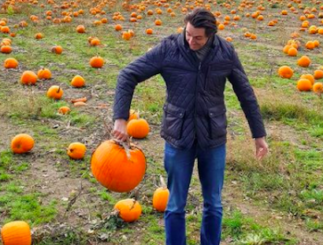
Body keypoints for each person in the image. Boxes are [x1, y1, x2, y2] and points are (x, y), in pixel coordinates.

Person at [111, 8, 269, 245]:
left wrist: (259, 134)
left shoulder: (225, 52)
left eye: (198, 38)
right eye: (188, 34)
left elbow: (245, 93)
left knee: (213, 204)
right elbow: (127, 75)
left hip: (212, 138)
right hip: (178, 137)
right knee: (175, 204)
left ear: (211, 35)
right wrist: (121, 119)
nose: (191, 41)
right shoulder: (169, 48)